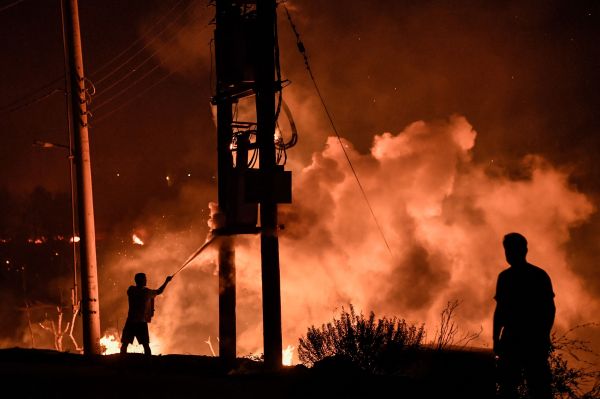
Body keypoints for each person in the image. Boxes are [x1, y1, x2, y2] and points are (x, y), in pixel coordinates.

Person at [493, 232, 556, 399]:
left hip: (523, 339)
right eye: (507, 250)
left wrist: (496, 339)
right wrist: (496, 339)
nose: (509, 254)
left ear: (523, 250)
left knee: (527, 387)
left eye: (511, 250)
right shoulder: (536, 275)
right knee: (525, 387)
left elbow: (549, 309)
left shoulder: (510, 277)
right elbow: (549, 310)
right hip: (525, 340)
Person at [120, 273, 173, 355]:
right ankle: (148, 364)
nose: (146, 280)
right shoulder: (146, 292)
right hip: (141, 322)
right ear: (140, 280)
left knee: (125, 344)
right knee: (145, 345)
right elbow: (159, 291)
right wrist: (166, 281)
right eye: (144, 279)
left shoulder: (131, 290)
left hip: (131, 321)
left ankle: (121, 362)